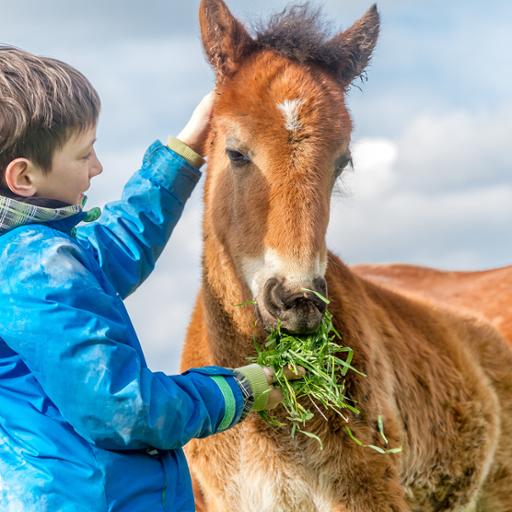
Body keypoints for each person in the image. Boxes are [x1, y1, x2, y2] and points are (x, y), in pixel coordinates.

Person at [0, 46, 303, 512]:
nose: (97, 167)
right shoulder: (33, 267)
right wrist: (238, 390)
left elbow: (117, 246)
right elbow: (124, 409)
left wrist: (184, 150)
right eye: (84, 154)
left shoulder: (28, 258)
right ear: (23, 176)